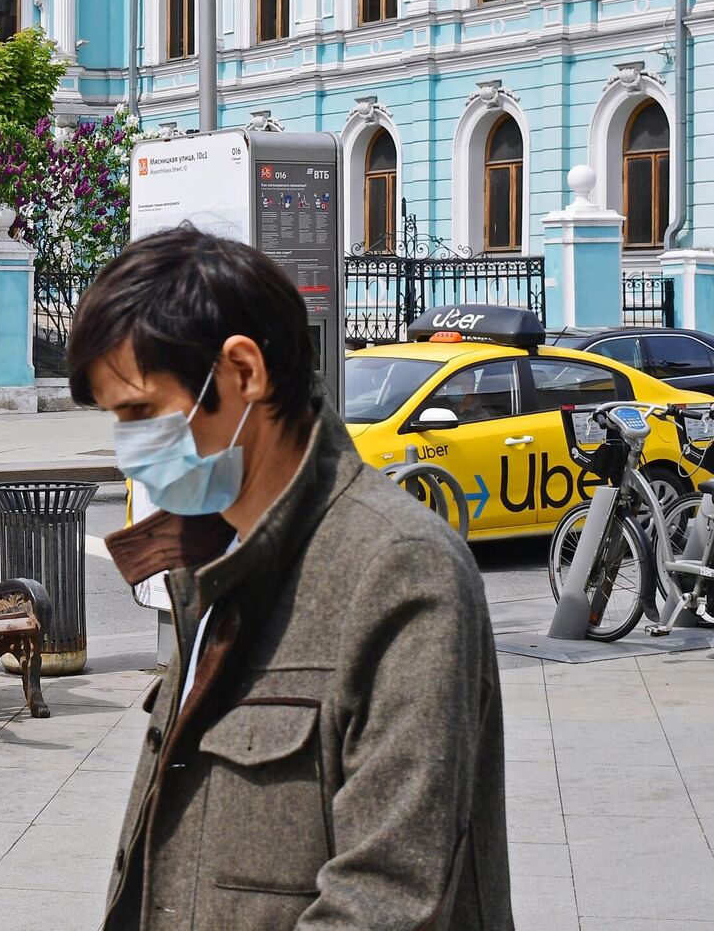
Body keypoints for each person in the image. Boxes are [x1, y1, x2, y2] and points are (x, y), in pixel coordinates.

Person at [66, 227, 510, 929]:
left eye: (142, 412)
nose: (129, 449)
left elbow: (385, 899)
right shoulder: (209, 560)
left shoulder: (399, 569)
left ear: (243, 373)